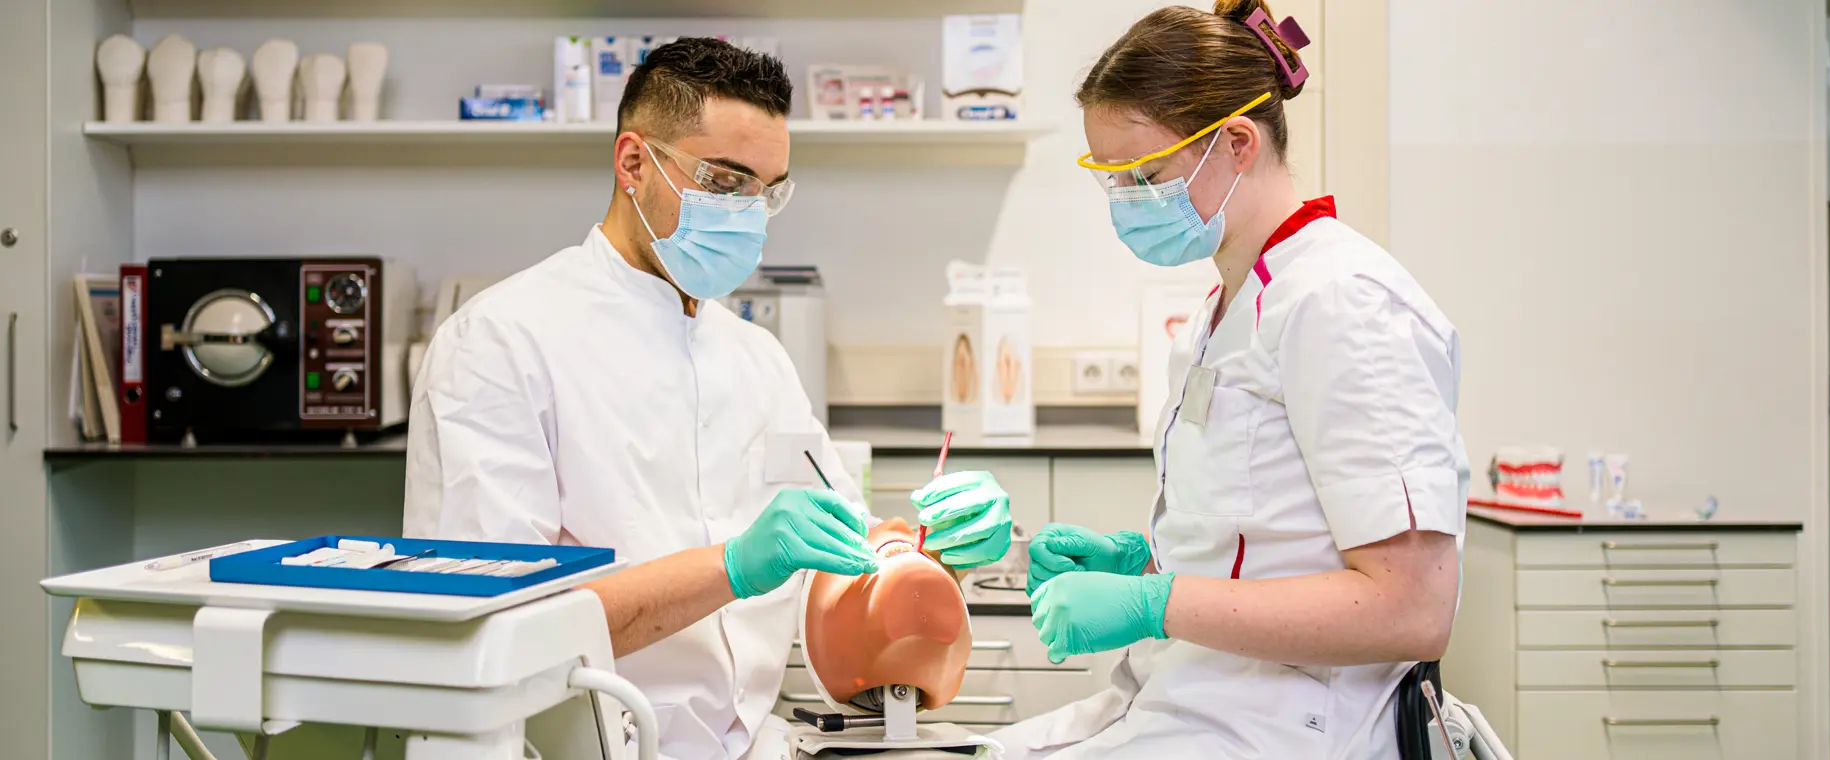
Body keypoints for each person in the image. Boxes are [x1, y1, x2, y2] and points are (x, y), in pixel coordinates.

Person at [401, 38, 1012, 760]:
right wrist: (734, 566)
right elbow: (499, 628)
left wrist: (930, 556)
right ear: (634, 163)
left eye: (768, 190)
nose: (749, 211)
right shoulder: (499, 344)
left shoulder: (758, 359)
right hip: (578, 746)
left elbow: (841, 568)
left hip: (754, 743)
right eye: (725, 181)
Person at [990, 2, 1469, 758]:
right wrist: (1140, 562)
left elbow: (1411, 611)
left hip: (1288, 729)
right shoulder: (1228, 308)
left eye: (1146, 175)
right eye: (1113, 180)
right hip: (1195, 701)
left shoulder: (1345, 303)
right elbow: (1268, 542)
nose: (1128, 202)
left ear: (1237, 143)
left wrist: (1154, 601)